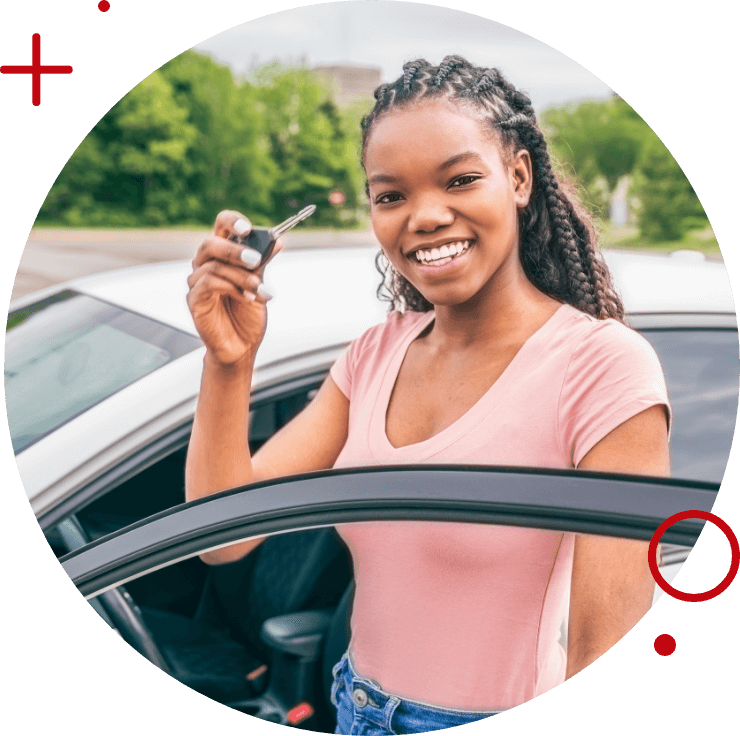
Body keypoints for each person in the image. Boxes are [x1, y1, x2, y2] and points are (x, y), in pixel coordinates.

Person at [184, 55, 671, 734]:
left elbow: (602, 649)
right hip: (351, 704)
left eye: (461, 180)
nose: (425, 216)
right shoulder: (375, 352)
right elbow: (221, 540)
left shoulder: (601, 368)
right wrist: (228, 363)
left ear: (519, 177)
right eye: (391, 195)